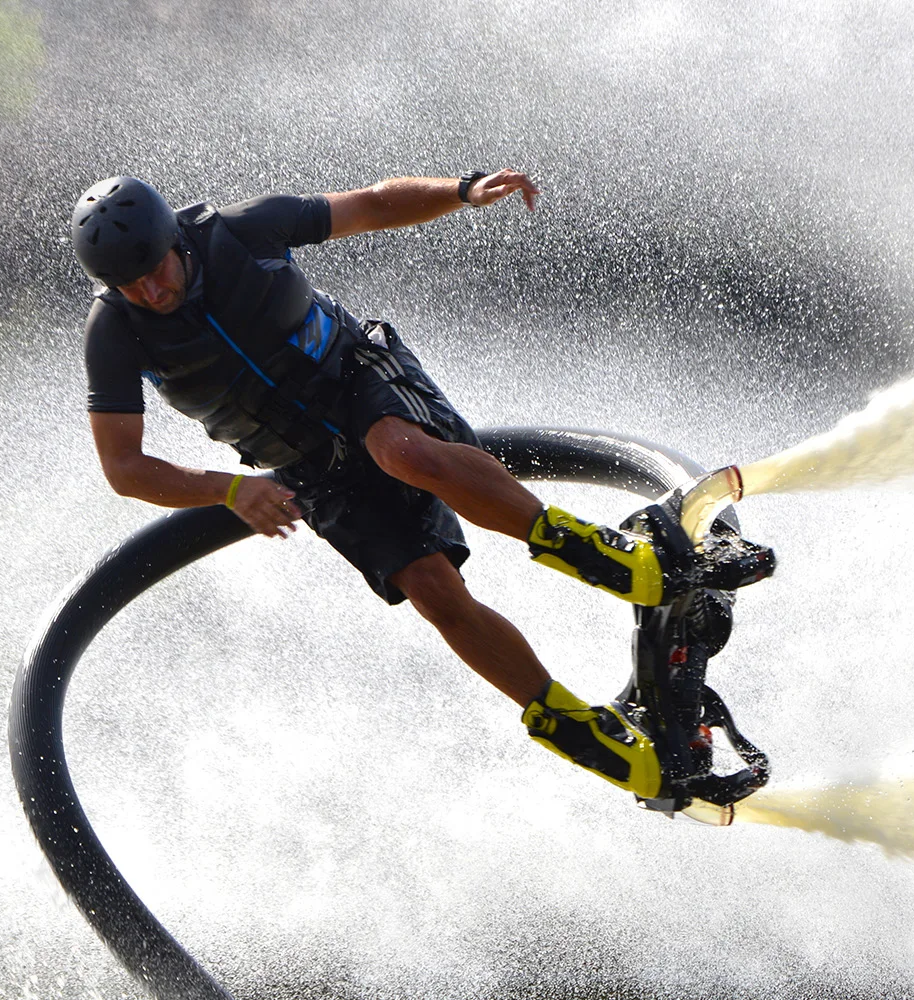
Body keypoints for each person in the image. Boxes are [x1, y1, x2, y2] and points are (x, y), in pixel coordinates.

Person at [73, 172, 691, 805]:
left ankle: (599, 554)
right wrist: (229, 490)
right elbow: (124, 467)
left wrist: (463, 192)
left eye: (155, 270)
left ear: (173, 239)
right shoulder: (114, 332)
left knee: (400, 451)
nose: (151, 292)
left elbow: (370, 206)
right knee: (431, 591)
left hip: (356, 376)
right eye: (131, 285)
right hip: (309, 463)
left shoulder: (242, 229)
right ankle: (577, 729)